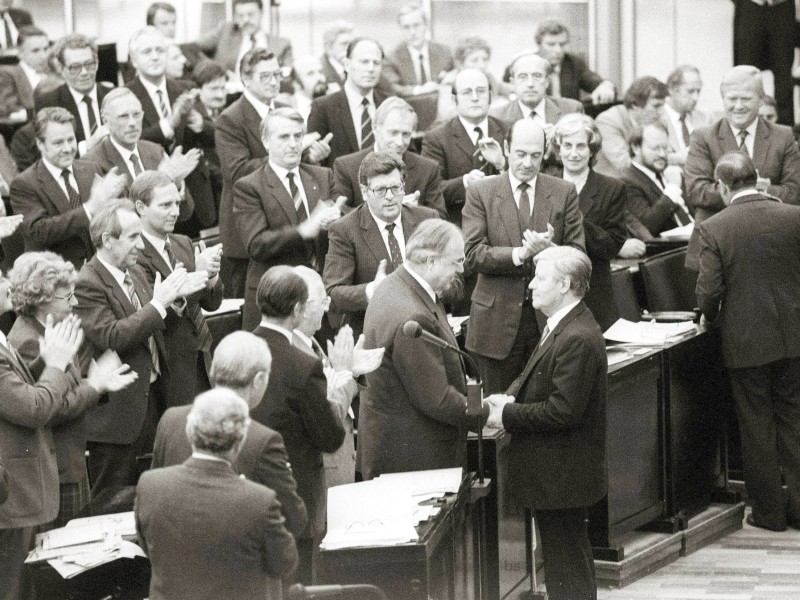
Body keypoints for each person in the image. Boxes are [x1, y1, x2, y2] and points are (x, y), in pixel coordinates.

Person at [485, 245, 607, 600]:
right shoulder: (562, 325)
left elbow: (562, 410)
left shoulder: (576, 337)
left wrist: (505, 414)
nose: (531, 287)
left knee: (567, 567)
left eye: (540, 278)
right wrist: (509, 396)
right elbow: (534, 375)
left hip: (562, 476)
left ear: (565, 284)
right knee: (567, 560)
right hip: (558, 474)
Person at [0, 273, 123, 600]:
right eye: (0, 279)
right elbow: (35, 407)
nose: (7, 284)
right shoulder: (18, 336)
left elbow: (21, 387)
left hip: (31, 479)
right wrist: (65, 370)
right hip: (17, 487)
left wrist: (48, 359)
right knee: (20, 587)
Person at [73, 200, 207, 498]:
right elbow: (113, 336)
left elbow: (150, 319)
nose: (141, 246)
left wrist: (175, 300)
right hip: (117, 417)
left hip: (153, 400)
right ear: (107, 240)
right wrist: (159, 303)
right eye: (133, 237)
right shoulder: (87, 283)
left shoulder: (132, 272)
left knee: (157, 492)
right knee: (114, 499)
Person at [695, 151, 800, 532]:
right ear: (757, 179)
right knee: (794, 421)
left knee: (756, 426)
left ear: (722, 186)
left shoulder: (715, 227)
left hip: (746, 343)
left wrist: (707, 314)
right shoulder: (794, 215)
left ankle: (769, 514)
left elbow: (709, 291)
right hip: (794, 338)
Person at [7, 252, 137, 528]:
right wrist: (94, 385)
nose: (75, 303)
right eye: (68, 297)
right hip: (59, 470)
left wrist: (95, 382)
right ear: (41, 299)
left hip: (70, 462)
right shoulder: (28, 340)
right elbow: (51, 409)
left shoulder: (50, 328)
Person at [135, 388, 299, 600]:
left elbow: (150, 548)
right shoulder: (259, 501)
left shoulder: (149, 485)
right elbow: (285, 563)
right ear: (239, 442)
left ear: (190, 432)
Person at [462, 119, 585, 394]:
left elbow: (578, 254)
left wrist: (550, 252)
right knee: (496, 414)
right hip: (495, 327)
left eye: (535, 155)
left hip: (548, 320)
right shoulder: (481, 192)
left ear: (545, 154)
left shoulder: (564, 192)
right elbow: (472, 255)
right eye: (520, 154)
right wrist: (520, 253)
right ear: (506, 149)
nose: (528, 163)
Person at [359, 219, 488, 480]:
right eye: (457, 261)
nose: (462, 270)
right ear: (430, 262)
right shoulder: (413, 315)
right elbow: (437, 399)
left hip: (399, 451)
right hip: (417, 462)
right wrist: (483, 411)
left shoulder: (395, 285)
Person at [151, 330, 307, 537]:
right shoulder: (263, 440)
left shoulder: (170, 420)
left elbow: (155, 503)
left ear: (214, 371)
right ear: (259, 380)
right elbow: (295, 519)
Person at [251, 266, 345, 584]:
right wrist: (338, 389)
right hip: (296, 499)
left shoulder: (237, 349)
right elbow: (330, 438)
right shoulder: (303, 365)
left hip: (247, 492)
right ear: (297, 310)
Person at [233, 107, 342, 331]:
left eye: (298, 136)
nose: (293, 144)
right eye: (284, 137)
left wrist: (338, 219)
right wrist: (303, 230)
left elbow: (343, 219)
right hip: (277, 301)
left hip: (320, 299)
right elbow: (256, 244)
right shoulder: (250, 186)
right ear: (266, 141)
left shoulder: (323, 176)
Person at [684, 65, 800, 270]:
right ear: (723, 99)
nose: (738, 106)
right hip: (715, 250)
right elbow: (697, 191)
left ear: (761, 99)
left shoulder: (783, 136)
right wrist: (753, 190)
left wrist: (760, 190)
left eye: (745, 99)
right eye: (731, 99)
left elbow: (794, 193)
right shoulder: (703, 137)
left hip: (770, 251)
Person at [132, 171, 224, 407]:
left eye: (177, 203)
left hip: (203, 355)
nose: (175, 211)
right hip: (170, 365)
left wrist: (211, 277)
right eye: (165, 205)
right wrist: (196, 276)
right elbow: (153, 318)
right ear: (141, 207)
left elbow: (211, 304)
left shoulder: (182, 242)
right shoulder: (134, 255)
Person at [325, 152, 439, 338]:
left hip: (426, 332)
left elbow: (456, 279)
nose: (390, 197)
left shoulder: (427, 219)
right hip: (375, 336)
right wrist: (371, 291)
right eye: (380, 190)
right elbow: (333, 293)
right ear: (364, 192)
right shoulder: (345, 230)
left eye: (396, 188)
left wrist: (436, 283)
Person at [292, 266, 383, 487]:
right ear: (300, 307)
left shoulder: (309, 341)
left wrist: (351, 370)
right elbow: (326, 410)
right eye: (322, 302)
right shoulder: (294, 353)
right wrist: (345, 375)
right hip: (322, 475)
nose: (326, 309)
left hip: (337, 467)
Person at [10, 107, 127, 270]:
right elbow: (39, 232)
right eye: (58, 142)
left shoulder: (91, 169)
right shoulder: (24, 184)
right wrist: (90, 207)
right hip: (56, 274)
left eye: (70, 140)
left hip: (102, 269)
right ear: (40, 144)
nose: (67, 148)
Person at [215, 49, 287, 298]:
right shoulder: (231, 118)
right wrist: (281, 157)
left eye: (278, 74)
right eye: (265, 76)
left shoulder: (285, 111)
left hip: (282, 225)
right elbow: (237, 171)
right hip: (246, 232)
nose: (274, 81)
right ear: (245, 79)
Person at [548, 113, 626, 331]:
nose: (573, 154)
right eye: (567, 145)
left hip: (594, 295)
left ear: (592, 150)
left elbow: (612, 245)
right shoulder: (545, 184)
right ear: (558, 148)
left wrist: (573, 214)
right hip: (549, 295)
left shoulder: (612, 188)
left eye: (581, 146)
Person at [84, 88, 199, 220]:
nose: (132, 123)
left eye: (136, 114)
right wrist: (158, 187)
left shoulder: (156, 151)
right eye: (123, 116)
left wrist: (177, 184)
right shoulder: (92, 163)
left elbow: (184, 214)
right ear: (105, 121)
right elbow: (107, 222)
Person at [422, 68, 509, 227]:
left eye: (481, 91)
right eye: (467, 92)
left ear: (490, 96)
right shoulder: (436, 138)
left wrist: (502, 164)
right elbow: (432, 190)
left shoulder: (507, 131)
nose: (475, 98)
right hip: (459, 224)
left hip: (505, 222)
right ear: (455, 99)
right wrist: (465, 182)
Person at [332, 96, 447, 216]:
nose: (399, 142)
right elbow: (340, 215)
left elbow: (441, 219)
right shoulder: (346, 167)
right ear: (375, 128)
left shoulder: (427, 169)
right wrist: (390, 211)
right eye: (393, 133)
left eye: (406, 134)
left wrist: (415, 212)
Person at [307, 37, 388, 167]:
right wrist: (314, 157)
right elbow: (308, 158)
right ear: (347, 65)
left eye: (376, 63)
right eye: (364, 62)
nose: (371, 68)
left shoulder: (389, 104)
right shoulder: (323, 107)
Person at [37, 34, 114, 157]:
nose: (84, 72)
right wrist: (86, 147)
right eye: (75, 67)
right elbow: (47, 153)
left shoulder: (113, 95)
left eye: (89, 64)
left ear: (97, 63)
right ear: (61, 69)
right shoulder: (49, 103)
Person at [619, 121, 693, 238]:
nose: (662, 154)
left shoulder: (668, 172)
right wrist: (673, 189)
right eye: (655, 148)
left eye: (665, 147)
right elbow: (648, 225)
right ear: (636, 148)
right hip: (671, 248)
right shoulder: (627, 182)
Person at [732, 0, 795, 125]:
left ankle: (785, 135)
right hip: (750, 7)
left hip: (782, 8)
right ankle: (742, 132)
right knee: (744, 76)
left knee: (784, 79)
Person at [594, 76, 668, 177]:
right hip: (615, 185)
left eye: (663, 106)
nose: (662, 112)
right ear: (635, 105)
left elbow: (668, 151)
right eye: (656, 106)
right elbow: (624, 164)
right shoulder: (607, 121)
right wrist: (673, 158)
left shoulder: (657, 122)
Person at [490, 53, 583, 132]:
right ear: (513, 83)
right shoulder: (496, 117)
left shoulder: (571, 110)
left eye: (537, 76)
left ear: (547, 81)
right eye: (522, 77)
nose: (530, 84)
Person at [194, 0, 292, 74]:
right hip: (230, 95)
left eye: (250, 15)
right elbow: (190, 48)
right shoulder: (226, 32)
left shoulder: (282, 44)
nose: (245, 20)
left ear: (261, 13)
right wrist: (215, 70)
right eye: (240, 16)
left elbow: (287, 74)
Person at [534, 19, 615, 104]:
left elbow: (593, 81)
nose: (558, 50)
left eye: (562, 44)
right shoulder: (528, 65)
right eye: (551, 44)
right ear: (539, 45)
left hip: (569, 115)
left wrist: (605, 86)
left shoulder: (573, 62)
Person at [384, 3, 454, 97]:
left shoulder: (444, 52)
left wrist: (452, 78)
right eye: (406, 27)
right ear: (400, 30)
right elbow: (391, 87)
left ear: (426, 25)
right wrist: (419, 90)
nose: (412, 32)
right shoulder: (392, 58)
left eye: (416, 25)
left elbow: (457, 73)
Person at [663, 65, 710, 168]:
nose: (695, 98)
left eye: (698, 91)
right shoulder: (657, 119)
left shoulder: (704, 119)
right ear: (672, 90)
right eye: (690, 91)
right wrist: (677, 158)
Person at [0, 26, 49, 120]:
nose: (44, 56)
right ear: (20, 53)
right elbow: (8, 111)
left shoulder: (55, 73)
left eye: (46, 49)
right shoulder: (7, 75)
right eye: (35, 51)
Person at [283, 55, 329, 121]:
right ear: (296, 83)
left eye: (320, 72)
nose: (319, 77)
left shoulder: (334, 102)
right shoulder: (287, 108)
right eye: (310, 73)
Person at [319, 20, 353, 92]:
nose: (350, 48)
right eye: (344, 44)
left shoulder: (354, 67)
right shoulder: (319, 71)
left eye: (351, 44)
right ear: (329, 47)